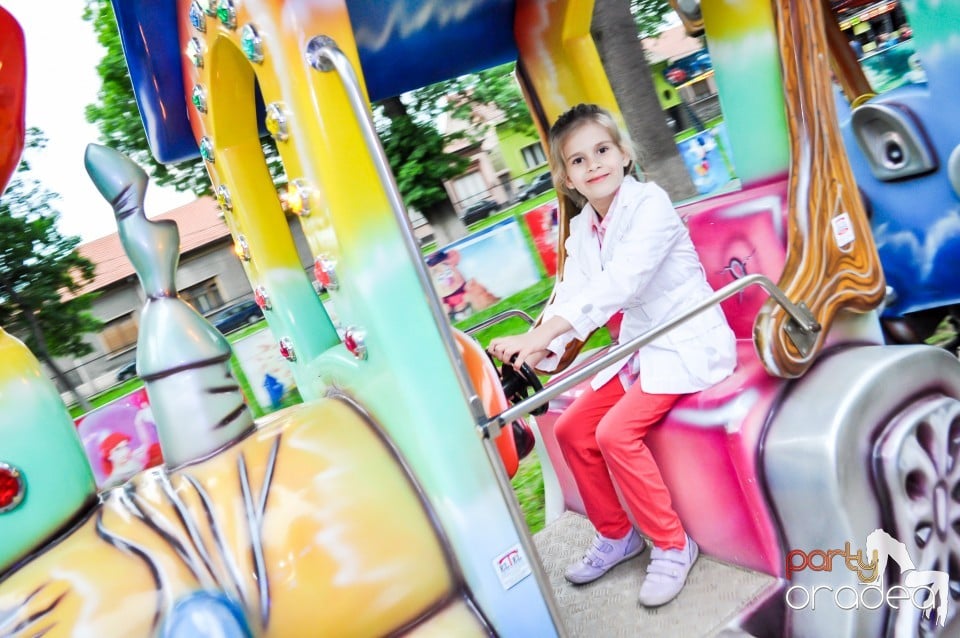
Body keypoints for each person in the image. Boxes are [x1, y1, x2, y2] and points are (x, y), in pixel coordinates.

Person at [488, 104, 736, 607]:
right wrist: (533, 352)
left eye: (601, 150)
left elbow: (616, 286)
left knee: (613, 432)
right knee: (571, 429)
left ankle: (671, 544)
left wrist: (538, 340)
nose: (593, 165)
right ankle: (616, 534)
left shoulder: (651, 204)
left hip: (686, 338)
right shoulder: (582, 229)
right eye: (578, 160)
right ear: (566, 176)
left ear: (623, 154)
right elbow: (571, 294)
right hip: (645, 346)